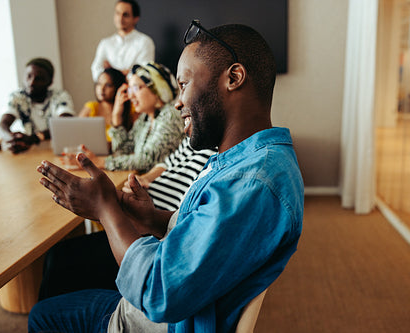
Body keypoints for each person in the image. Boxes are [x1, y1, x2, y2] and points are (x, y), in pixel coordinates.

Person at [30, 21, 304, 333]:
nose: (177, 102)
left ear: (233, 78)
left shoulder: (253, 182)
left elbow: (159, 294)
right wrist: (154, 219)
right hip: (176, 307)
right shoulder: (248, 161)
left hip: (160, 322)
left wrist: (105, 210)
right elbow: (209, 233)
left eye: (184, 85)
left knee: (43, 315)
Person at [37, 137, 216, 301]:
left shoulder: (220, 168)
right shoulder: (200, 137)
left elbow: (158, 287)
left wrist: (105, 208)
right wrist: (147, 215)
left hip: (155, 240)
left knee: (58, 265)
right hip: (152, 218)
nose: (179, 103)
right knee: (56, 255)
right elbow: (166, 163)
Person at [82, 62, 185, 173]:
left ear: (157, 88)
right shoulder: (144, 118)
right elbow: (122, 153)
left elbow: (146, 160)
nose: (130, 96)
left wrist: (101, 162)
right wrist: (116, 119)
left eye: (136, 88)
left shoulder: (171, 115)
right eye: (130, 90)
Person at [0, 57, 75, 154]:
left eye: (39, 79)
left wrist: (35, 138)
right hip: (29, 153)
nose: (32, 82)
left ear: (50, 81)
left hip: (55, 151)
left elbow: (65, 123)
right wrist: (12, 139)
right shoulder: (17, 97)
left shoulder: (60, 96)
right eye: (28, 76)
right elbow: (2, 126)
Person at [91, 0, 154, 82]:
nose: (120, 18)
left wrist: (111, 71)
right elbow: (96, 71)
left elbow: (143, 75)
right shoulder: (105, 43)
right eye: (117, 13)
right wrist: (124, 73)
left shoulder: (145, 42)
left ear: (135, 19)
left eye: (125, 15)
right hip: (109, 94)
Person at [79, 67, 135, 143]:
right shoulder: (91, 107)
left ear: (118, 86)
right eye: (99, 84)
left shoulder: (131, 109)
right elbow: (76, 134)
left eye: (108, 85)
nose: (101, 89)